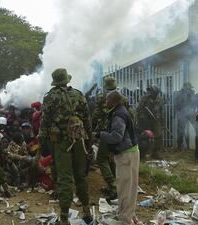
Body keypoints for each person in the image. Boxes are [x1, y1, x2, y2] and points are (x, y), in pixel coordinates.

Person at [39, 68, 92, 224]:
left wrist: (43, 144)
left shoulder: (50, 97)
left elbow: (45, 123)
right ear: (67, 80)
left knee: (65, 179)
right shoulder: (78, 94)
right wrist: (89, 141)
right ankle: (87, 210)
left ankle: (64, 216)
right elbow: (87, 120)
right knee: (81, 176)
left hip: (62, 143)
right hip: (79, 139)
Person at [99, 90, 140, 225]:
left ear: (113, 101)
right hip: (129, 152)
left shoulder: (118, 114)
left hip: (126, 154)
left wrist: (101, 135)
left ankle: (125, 219)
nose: (105, 102)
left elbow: (117, 136)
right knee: (128, 187)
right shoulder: (121, 110)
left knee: (125, 188)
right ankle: (128, 215)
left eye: (107, 100)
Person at [136, 85, 164, 159]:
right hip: (145, 121)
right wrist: (143, 118)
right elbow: (139, 110)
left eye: (153, 92)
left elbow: (161, 110)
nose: (151, 93)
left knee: (158, 136)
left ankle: (155, 153)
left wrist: (161, 120)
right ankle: (143, 154)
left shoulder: (160, 99)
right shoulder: (144, 98)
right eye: (150, 91)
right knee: (144, 137)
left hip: (156, 120)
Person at [175, 82, 195, 150]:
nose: (190, 89)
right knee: (181, 130)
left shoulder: (192, 93)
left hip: (190, 113)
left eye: (190, 88)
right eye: (188, 88)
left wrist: (190, 95)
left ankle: (190, 146)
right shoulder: (179, 93)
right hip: (182, 114)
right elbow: (177, 104)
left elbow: (194, 102)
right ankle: (179, 146)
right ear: (184, 87)